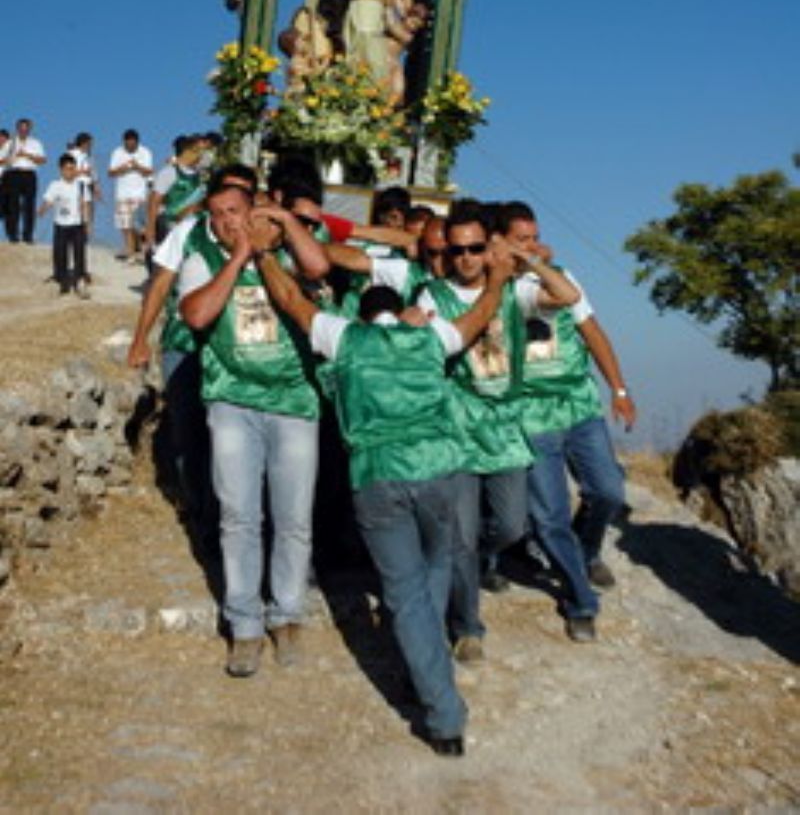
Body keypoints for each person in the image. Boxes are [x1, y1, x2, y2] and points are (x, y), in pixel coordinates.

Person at [256, 238, 516, 756]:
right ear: (400, 314)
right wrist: (499, 280)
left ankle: (443, 712)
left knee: (403, 592)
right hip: (438, 469)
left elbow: (291, 301)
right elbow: (478, 316)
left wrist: (262, 255)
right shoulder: (431, 337)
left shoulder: (344, 336)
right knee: (434, 570)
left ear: (364, 315)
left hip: (377, 477)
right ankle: (426, 674)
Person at [178, 176, 329, 677]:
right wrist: (238, 257)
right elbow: (197, 315)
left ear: (254, 210)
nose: (225, 221)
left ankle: (286, 615)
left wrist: (282, 223)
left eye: (235, 211)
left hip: (293, 401)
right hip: (233, 401)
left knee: (293, 517)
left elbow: (320, 266)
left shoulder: (285, 249)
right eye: (217, 213)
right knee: (239, 515)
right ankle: (244, 625)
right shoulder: (202, 256)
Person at [418, 200, 579, 662]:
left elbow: (566, 297)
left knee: (510, 525)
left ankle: (467, 561)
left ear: (489, 246)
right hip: (459, 426)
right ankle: (467, 626)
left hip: (507, 426)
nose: (465, 258)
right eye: (457, 250)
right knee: (462, 536)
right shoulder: (434, 296)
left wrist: (524, 259)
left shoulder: (515, 290)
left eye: (474, 248)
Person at [499, 201, 636, 643]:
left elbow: (592, 330)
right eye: (522, 238)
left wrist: (617, 388)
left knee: (608, 491)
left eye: (535, 235)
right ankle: (580, 599)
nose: (534, 245)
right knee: (550, 515)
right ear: (499, 241)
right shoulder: (498, 288)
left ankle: (587, 550)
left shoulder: (561, 276)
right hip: (532, 414)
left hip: (578, 406)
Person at [127, 164, 260, 541]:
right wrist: (141, 338)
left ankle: (233, 519)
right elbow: (161, 282)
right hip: (186, 346)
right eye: (224, 199)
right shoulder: (188, 232)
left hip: (242, 355)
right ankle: (202, 515)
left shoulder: (264, 236)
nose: (230, 214)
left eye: (241, 199)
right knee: (191, 432)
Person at [37, 153, 89, 297]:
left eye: (72, 168)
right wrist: (41, 210)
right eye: (67, 169)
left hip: (77, 224)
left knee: (79, 253)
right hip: (60, 225)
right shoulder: (55, 185)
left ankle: (79, 281)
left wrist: (86, 222)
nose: (70, 172)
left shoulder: (80, 185)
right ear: (60, 169)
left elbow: (84, 204)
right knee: (60, 254)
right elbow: (48, 200)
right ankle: (63, 282)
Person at [144, 133, 206, 248]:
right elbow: (154, 202)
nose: (201, 155)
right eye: (197, 151)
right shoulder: (169, 173)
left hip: (197, 228)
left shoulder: (202, 176)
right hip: (173, 228)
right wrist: (151, 229)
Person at [108, 129, 153, 261]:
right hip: (122, 194)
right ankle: (131, 253)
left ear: (137, 142)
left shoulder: (145, 152)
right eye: (128, 144)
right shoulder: (117, 152)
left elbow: (149, 171)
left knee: (140, 226)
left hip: (140, 194)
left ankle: (143, 251)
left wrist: (137, 166)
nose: (130, 146)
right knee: (125, 225)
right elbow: (111, 173)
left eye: (133, 144)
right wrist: (124, 167)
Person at [3, 118, 46, 244]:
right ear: (17, 129)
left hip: (29, 174)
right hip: (13, 173)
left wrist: (28, 155)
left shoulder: (36, 143)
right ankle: (13, 235)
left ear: (29, 129)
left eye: (26, 128)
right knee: (13, 205)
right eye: (21, 128)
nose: (23, 131)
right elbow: (2, 159)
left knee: (29, 205)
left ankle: (28, 235)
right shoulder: (10, 143)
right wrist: (10, 158)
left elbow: (43, 160)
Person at [68, 132, 101, 242]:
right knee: (77, 212)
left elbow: (94, 174)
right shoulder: (71, 154)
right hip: (75, 184)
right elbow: (66, 171)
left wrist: (96, 187)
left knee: (88, 212)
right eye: (89, 143)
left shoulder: (89, 157)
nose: (90, 145)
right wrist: (82, 171)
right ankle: (74, 236)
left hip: (88, 185)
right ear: (82, 143)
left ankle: (85, 237)